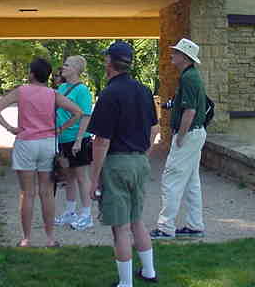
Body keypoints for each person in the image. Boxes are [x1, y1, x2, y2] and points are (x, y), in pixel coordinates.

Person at [0, 58, 83, 248]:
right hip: (47, 144)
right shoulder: (53, 94)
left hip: (26, 143)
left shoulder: (21, 91)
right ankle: (50, 238)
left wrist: (10, 128)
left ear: (31, 74)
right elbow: (78, 112)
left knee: (27, 193)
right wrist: (61, 129)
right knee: (47, 193)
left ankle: (26, 239)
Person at [88, 41, 159, 286]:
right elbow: (154, 128)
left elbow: (101, 141)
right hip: (140, 161)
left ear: (109, 61)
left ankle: (126, 283)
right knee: (137, 220)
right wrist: (143, 155)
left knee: (120, 227)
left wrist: (94, 178)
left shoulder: (109, 94)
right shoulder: (144, 91)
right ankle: (149, 272)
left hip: (117, 163)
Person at [151, 38, 207, 240]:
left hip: (188, 134)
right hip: (195, 133)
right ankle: (194, 225)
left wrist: (180, 136)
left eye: (176, 53)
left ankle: (165, 227)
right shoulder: (191, 76)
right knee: (191, 182)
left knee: (171, 179)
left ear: (185, 57)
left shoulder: (188, 78)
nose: (172, 55)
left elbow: (189, 111)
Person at [53, 55, 94, 231]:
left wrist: (78, 140)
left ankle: (86, 214)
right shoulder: (61, 87)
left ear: (76, 69)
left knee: (82, 177)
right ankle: (70, 212)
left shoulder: (82, 90)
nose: (63, 67)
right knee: (69, 176)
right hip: (63, 138)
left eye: (67, 65)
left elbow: (85, 116)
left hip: (78, 138)